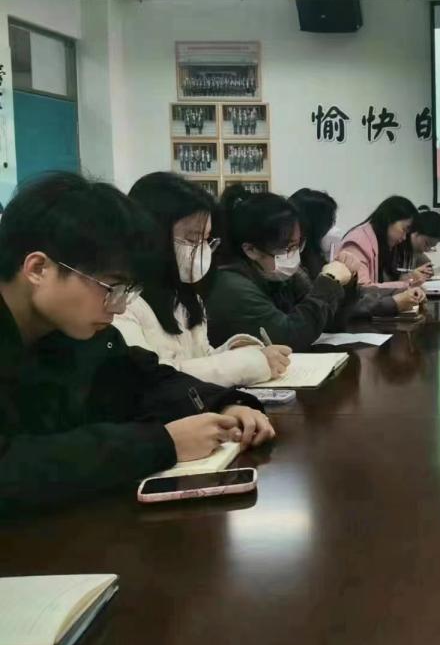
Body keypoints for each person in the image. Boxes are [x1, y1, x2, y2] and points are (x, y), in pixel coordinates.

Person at [0, 173, 272, 514]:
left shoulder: (75, 331)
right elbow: (11, 466)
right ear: (39, 268)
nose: (119, 307)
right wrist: (161, 444)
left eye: (126, 290)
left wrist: (224, 405)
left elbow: (143, 378)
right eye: (110, 287)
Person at [113, 173, 292, 387]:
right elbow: (157, 379)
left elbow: (200, 358)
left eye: (206, 240)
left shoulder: (186, 296)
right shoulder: (121, 304)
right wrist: (249, 363)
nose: (203, 250)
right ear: (151, 236)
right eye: (192, 239)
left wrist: (234, 350)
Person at [205, 185, 359, 351]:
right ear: (251, 250)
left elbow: (327, 323)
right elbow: (289, 337)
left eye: (297, 245)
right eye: (287, 247)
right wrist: (329, 281)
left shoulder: (278, 274)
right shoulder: (231, 286)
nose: (293, 255)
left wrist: (345, 279)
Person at [290, 188, 424, 320]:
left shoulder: (315, 258)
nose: (334, 232)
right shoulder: (358, 242)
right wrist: (396, 300)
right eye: (329, 224)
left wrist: (405, 283)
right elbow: (339, 304)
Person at [335, 195, 432, 287]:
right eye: (404, 229)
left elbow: (384, 283)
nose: (404, 238)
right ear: (389, 219)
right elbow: (363, 289)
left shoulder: (381, 243)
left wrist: (410, 278)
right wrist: (406, 285)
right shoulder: (358, 243)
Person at [397, 206, 440, 271]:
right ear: (416, 231)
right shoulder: (395, 245)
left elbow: (426, 263)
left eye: (431, 247)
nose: (426, 249)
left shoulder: (415, 252)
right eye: (426, 244)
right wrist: (411, 275)